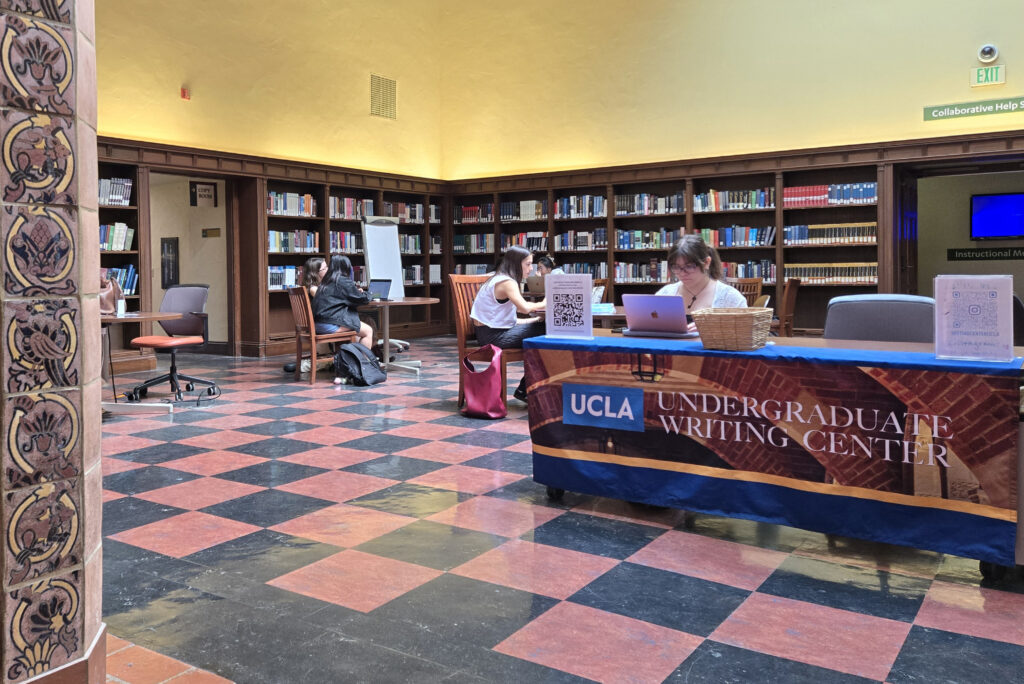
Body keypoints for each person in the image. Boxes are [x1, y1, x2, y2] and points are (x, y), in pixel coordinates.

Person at [471, 245, 546, 402]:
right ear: (516, 263)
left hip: (489, 333)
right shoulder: (507, 282)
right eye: (528, 264)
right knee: (548, 332)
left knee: (542, 333)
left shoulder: (498, 278)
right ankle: (525, 389)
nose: (531, 269)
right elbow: (524, 308)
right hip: (493, 338)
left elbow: (505, 319)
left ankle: (526, 389)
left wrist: (534, 320)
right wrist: (546, 302)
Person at [657, 234, 746, 331]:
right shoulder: (664, 294)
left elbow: (744, 333)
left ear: (707, 263)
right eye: (676, 267)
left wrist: (712, 329)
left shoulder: (730, 298)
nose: (682, 273)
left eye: (689, 266)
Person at [312, 255, 375, 383]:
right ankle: (362, 368)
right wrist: (368, 293)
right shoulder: (342, 281)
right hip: (330, 324)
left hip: (317, 324)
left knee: (357, 329)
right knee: (368, 331)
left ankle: (352, 365)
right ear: (346, 268)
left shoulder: (326, 281)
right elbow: (362, 299)